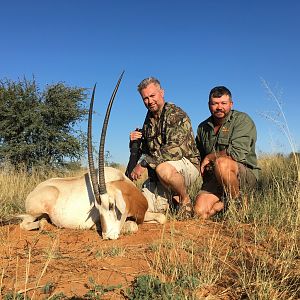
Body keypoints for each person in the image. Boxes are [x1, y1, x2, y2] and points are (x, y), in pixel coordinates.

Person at [127, 77, 200, 217]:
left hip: (186, 165)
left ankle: (185, 200)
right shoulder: (148, 120)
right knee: (141, 208)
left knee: (163, 169)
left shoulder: (176, 114)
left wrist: (144, 163)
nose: (149, 101)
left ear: (162, 92)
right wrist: (134, 143)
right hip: (160, 172)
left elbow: (174, 149)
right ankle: (173, 200)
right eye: (145, 98)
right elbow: (148, 149)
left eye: (152, 96)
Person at [194, 86, 260, 219]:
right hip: (215, 178)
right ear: (209, 105)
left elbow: (237, 153)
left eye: (223, 103)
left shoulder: (242, 120)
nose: (219, 107)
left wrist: (210, 156)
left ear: (231, 104)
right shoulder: (203, 127)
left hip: (242, 175)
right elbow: (197, 156)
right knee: (199, 212)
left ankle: (238, 205)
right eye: (215, 103)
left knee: (221, 163)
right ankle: (223, 204)